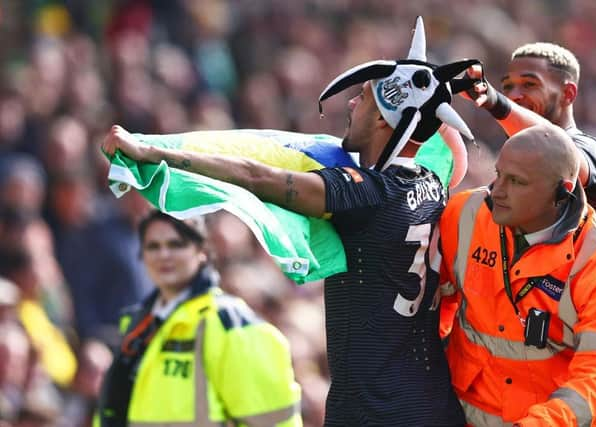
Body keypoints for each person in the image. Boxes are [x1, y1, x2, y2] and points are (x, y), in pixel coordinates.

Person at [102, 16, 474, 427]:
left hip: (376, 406)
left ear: (386, 118)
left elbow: (257, 175)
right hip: (430, 400)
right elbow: (446, 145)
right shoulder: (433, 183)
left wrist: (155, 153)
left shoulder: (367, 193)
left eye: (364, 97)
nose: (351, 103)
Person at [437, 123, 596, 426]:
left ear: (562, 192)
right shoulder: (463, 213)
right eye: (498, 174)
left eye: (517, 182)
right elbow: (436, 309)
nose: (497, 191)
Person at [96, 210, 302, 426]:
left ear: (201, 251)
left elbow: (271, 420)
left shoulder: (228, 322)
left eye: (176, 244)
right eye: (153, 246)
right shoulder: (138, 325)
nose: (163, 255)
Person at [464, 42, 596, 240]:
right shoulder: (511, 162)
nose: (514, 96)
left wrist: (493, 101)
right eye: (507, 87)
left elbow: (560, 150)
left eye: (530, 84)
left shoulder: (593, 151)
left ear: (568, 94)